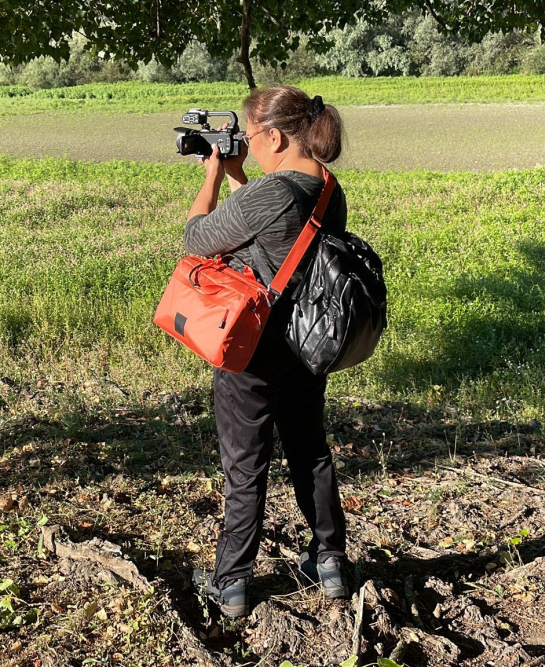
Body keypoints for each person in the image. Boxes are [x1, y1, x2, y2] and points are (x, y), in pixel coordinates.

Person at [184, 86, 350, 618]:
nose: (247, 144)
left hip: (253, 347)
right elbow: (280, 235)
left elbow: (197, 238)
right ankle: (330, 562)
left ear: (275, 137)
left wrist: (212, 177)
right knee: (310, 451)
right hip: (306, 342)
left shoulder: (270, 193)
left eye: (251, 136)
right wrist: (241, 177)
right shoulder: (328, 188)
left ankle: (231, 583)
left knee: (246, 463)